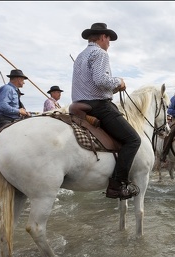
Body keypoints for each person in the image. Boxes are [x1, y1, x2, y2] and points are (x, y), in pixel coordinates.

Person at [72, 22, 141, 200]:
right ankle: (117, 185)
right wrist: (119, 82)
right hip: (98, 106)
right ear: (102, 37)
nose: (109, 42)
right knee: (133, 140)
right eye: (108, 38)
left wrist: (111, 89)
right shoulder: (100, 53)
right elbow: (100, 79)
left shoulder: (81, 56)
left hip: (80, 104)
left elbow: (93, 83)